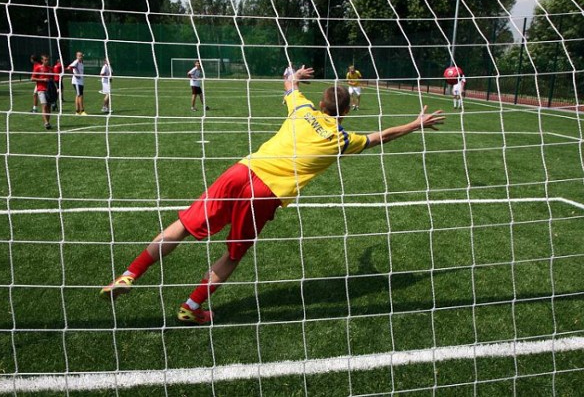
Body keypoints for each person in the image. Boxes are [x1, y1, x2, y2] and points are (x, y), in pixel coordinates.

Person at [100, 64, 445, 325]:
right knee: (233, 255)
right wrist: (417, 123)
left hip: (241, 172)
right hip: (265, 194)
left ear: (321, 102)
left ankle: (129, 274)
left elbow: (289, 83)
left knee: (182, 225)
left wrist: (296, 74)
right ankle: (191, 308)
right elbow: (381, 136)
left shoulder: (302, 110)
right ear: (345, 111)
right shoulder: (339, 141)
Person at [31, 54, 53, 130]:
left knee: (49, 106)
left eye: (48, 60)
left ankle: (48, 122)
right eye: (45, 60)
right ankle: (46, 123)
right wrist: (42, 80)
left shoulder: (50, 68)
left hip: (49, 90)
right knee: (44, 105)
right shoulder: (38, 68)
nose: (47, 61)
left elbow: (52, 78)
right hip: (41, 89)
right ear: (42, 60)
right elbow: (32, 78)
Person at [67, 51, 87, 115]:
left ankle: (77, 111)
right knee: (80, 95)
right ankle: (82, 111)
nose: (81, 57)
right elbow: (69, 67)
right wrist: (74, 75)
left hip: (80, 81)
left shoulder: (81, 62)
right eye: (79, 56)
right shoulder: (76, 62)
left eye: (81, 56)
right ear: (77, 56)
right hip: (77, 82)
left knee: (78, 95)